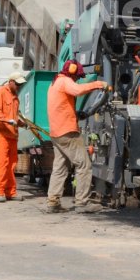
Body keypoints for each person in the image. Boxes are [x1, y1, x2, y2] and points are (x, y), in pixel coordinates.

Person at [45, 59, 107, 213]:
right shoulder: (65, 81)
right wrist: (99, 85)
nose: (77, 79)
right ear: (71, 72)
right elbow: (78, 90)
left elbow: (62, 106)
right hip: (68, 133)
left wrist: (75, 114)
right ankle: (82, 203)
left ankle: (53, 202)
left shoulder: (54, 83)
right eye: (77, 76)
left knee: (60, 167)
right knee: (84, 165)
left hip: (56, 133)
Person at [0, 71, 27, 203]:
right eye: (17, 84)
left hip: (12, 134)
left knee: (12, 165)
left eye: (20, 85)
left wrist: (22, 123)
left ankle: (10, 192)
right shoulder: (0, 92)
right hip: (2, 134)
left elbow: (15, 116)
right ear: (11, 82)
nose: (19, 87)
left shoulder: (15, 97)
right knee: (3, 164)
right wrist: (7, 120)